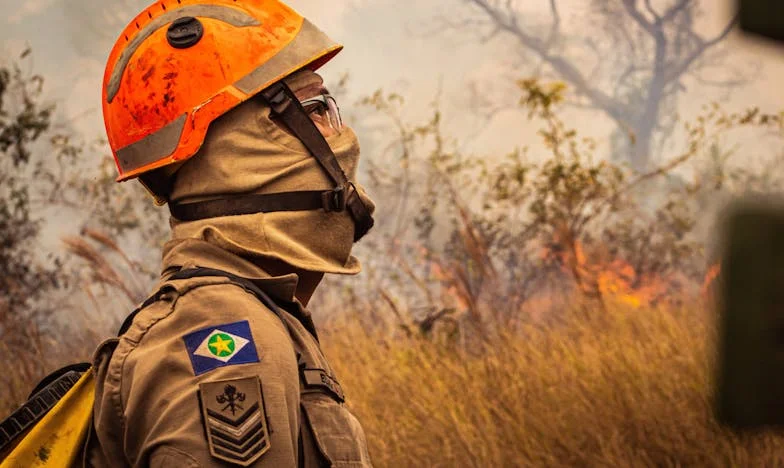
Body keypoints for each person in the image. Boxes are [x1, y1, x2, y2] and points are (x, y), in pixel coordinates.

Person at [84, 0, 376, 466]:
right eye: (318, 110)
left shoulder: (259, 313)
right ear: (244, 145)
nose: (342, 134)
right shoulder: (219, 337)